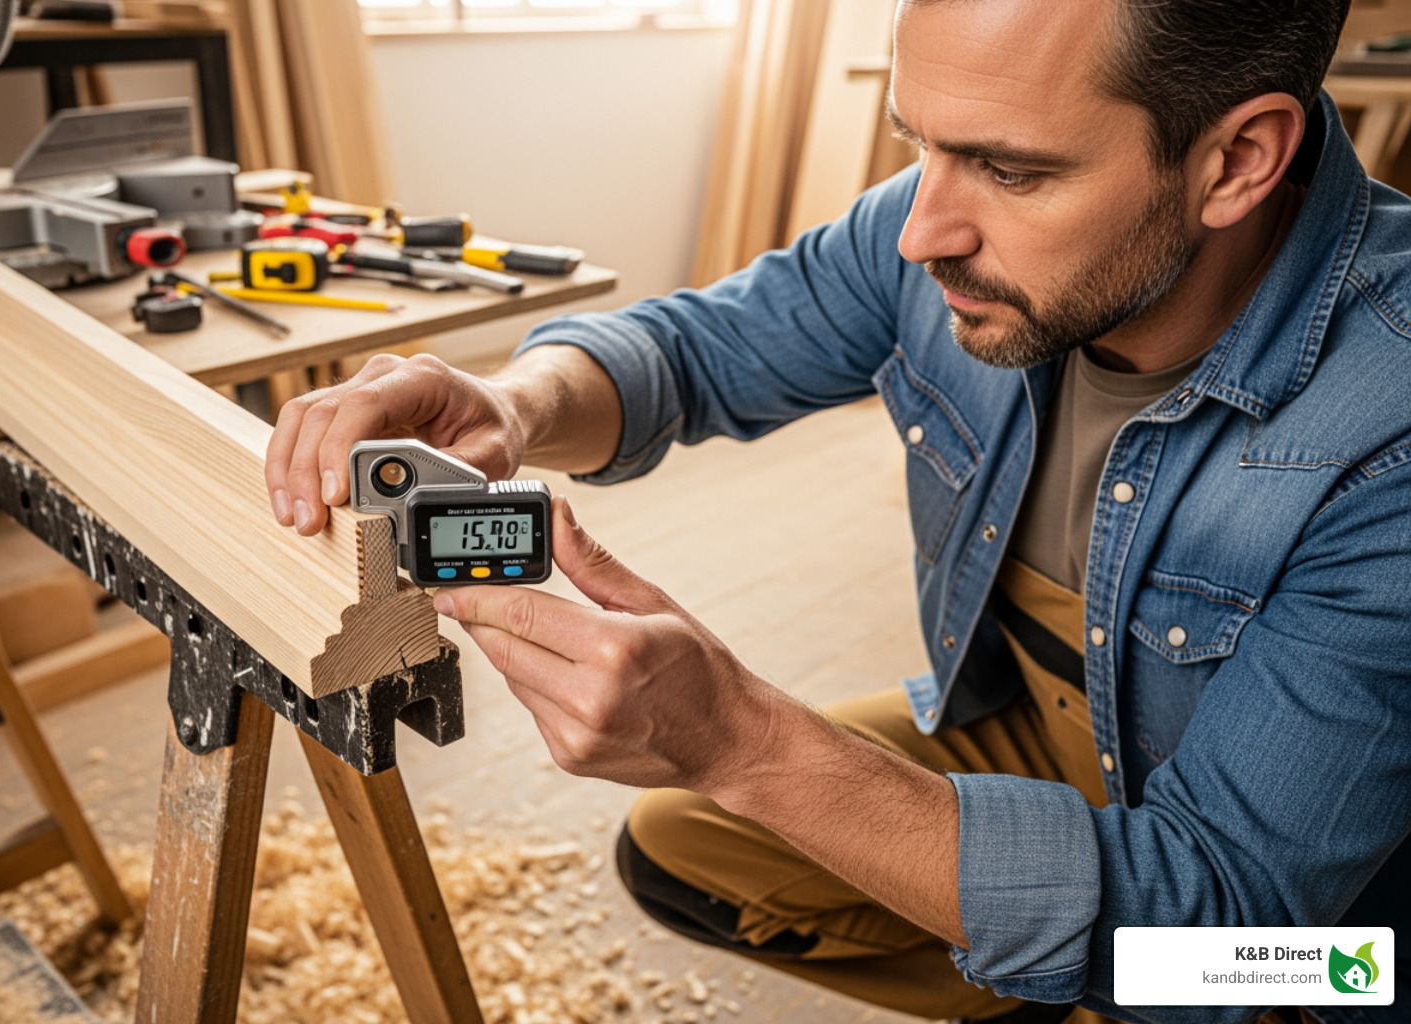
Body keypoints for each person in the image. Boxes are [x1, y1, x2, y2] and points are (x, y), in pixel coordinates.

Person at [264, 1, 1411, 1021]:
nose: (921, 233)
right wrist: (514, 403)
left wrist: (745, 741)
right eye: (920, 143)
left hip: (1314, 938)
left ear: (1236, 161)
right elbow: (694, 351)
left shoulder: (1392, 422)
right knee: (685, 848)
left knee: (1200, 975)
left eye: (1010, 171)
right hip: (1064, 732)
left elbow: (1224, 925)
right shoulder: (936, 230)